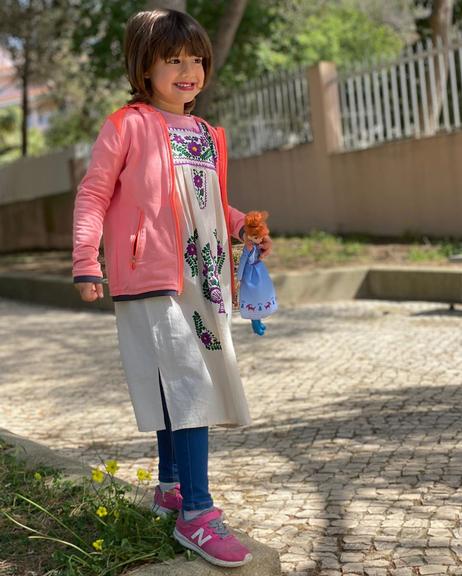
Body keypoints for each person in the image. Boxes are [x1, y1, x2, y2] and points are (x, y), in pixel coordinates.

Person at [72, 8, 272, 569]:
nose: (190, 70)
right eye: (174, 60)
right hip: (152, 273)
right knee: (190, 385)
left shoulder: (207, 134)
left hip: (203, 277)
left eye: (197, 60)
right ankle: (199, 516)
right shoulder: (126, 125)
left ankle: (172, 488)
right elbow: (93, 194)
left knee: (175, 382)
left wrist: (241, 225)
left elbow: (203, 199)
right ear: (145, 66)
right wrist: (87, 260)